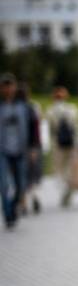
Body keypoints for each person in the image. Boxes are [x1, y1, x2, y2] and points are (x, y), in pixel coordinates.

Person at [0, 73, 34, 228]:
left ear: (14, 87)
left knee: (21, 186)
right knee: (4, 185)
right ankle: (8, 215)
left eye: (10, 85)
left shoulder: (25, 106)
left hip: (20, 151)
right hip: (3, 151)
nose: (7, 88)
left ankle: (13, 207)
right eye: (4, 85)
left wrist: (33, 147)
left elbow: (34, 127)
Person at [45, 86, 78, 208]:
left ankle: (66, 187)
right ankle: (69, 187)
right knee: (70, 168)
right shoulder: (73, 109)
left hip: (59, 144)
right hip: (73, 143)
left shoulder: (50, 111)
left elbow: (50, 130)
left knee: (60, 169)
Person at [16, 82, 43, 216]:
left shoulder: (28, 109)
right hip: (29, 147)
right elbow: (37, 131)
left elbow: (35, 130)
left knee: (23, 176)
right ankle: (31, 199)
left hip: (25, 147)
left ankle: (25, 201)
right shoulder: (32, 108)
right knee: (30, 176)